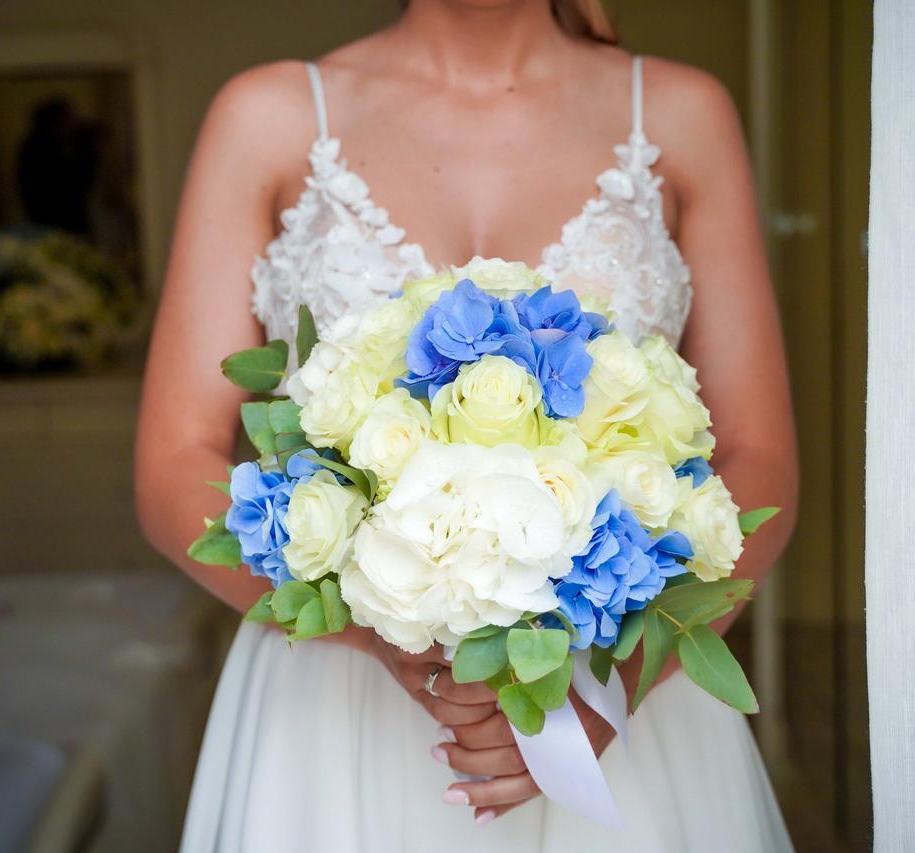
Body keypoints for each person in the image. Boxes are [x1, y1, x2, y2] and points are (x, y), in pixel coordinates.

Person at [135, 1, 799, 849]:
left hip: (618, 699)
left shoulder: (679, 116)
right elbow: (172, 463)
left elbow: (758, 455)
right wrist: (374, 628)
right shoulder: (267, 118)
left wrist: (612, 684)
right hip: (336, 713)